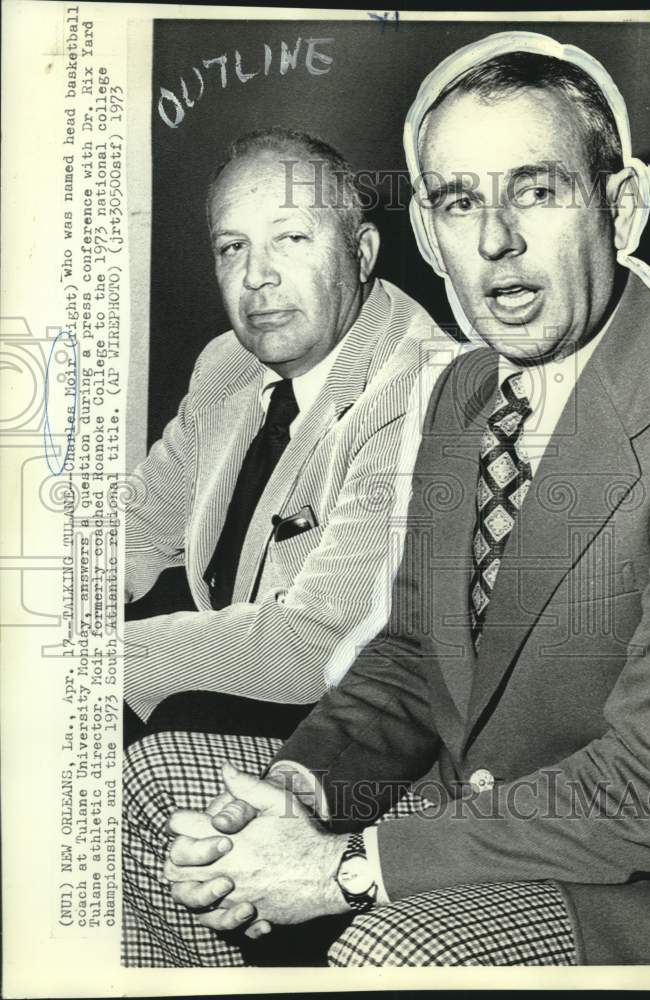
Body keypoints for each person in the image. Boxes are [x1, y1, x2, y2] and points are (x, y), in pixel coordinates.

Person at [124, 33, 650, 967]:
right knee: (157, 787)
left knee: (383, 949)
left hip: (634, 882)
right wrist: (301, 788)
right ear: (430, 235)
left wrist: (351, 866)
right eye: (460, 201)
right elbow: (404, 657)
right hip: (457, 800)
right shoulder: (464, 388)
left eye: (538, 191)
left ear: (623, 207)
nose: (496, 240)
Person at [123, 127, 459, 742]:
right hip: (234, 700)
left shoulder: (425, 389)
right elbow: (140, 528)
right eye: (232, 247)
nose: (256, 277)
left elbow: (315, 646)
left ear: (361, 253)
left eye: (291, 238)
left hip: (361, 740)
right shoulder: (229, 362)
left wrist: (91, 660)